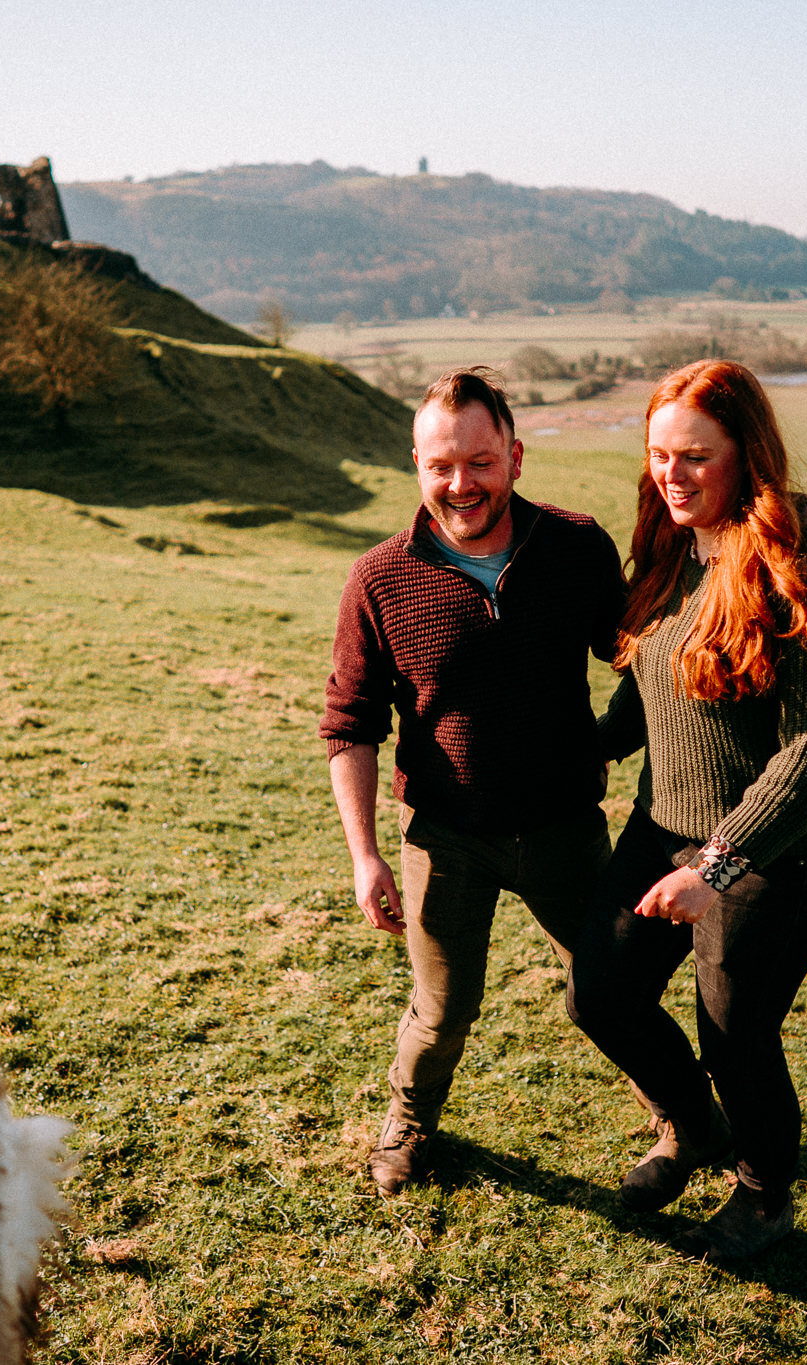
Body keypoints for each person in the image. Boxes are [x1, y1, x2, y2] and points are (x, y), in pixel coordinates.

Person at [566, 358, 807, 1260]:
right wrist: (582, 751)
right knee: (600, 993)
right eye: (660, 454)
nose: (672, 475)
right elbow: (651, 682)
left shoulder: (802, 568)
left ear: (748, 454)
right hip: (663, 827)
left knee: (735, 1031)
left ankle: (766, 1194)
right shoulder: (670, 547)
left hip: (779, 851)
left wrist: (716, 864)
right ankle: (696, 1129)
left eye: (695, 456)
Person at [321, 365, 625, 1196]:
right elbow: (350, 725)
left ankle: (678, 1115)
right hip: (446, 837)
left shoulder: (577, 548)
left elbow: (645, 658)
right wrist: (365, 856)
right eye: (441, 465)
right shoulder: (378, 579)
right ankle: (409, 1130)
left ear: (516, 457)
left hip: (564, 826)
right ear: (417, 465)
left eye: (480, 462)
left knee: (612, 986)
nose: (461, 484)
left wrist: (609, 741)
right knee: (440, 1010)